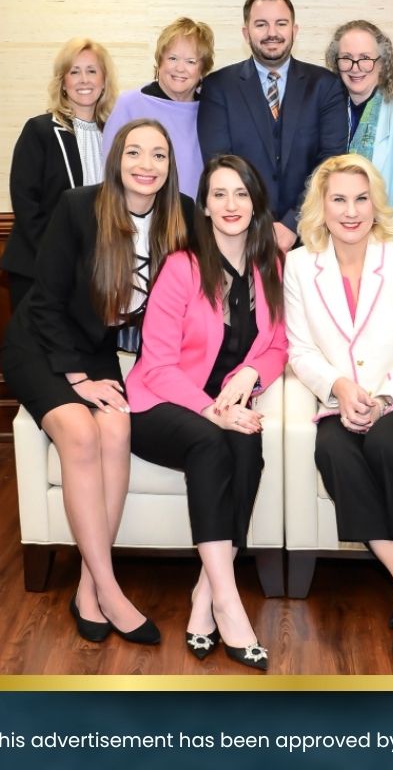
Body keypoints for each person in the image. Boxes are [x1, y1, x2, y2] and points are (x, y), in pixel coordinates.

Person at [0, 119, 191, 646]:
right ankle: (111, 590)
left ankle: (88, 587)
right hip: (41, 344)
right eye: (134, 153)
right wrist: (76, 378)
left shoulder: (183, 215)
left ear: (170, 165)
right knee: (81, 434)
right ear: (117, 159)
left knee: (117, 430)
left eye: (158, 155)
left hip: (97, 348)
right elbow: (45, 300)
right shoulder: (79, 206)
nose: (145, 165)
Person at [284, 154, 393, 656]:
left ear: (375, 204)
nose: (351, 210)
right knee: (334, 451)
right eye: (338, 199)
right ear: (322, 206)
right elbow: (300, 350)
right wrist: (338, 387)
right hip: (341, 403)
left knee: (386, 441)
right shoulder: (299, 265)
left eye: (361, 198)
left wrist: (383, 398)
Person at [125, 155, 288, 671]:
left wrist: (249, 377)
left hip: (225, 403)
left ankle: (204, 594)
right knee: (213, 441)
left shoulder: (270, 265)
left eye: (241, 193)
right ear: (206, 205)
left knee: (249, 443)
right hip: (160, 403)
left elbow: (279, 344)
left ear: (255, 201)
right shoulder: (183, 266)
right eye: (219, 194)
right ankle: (231, 605)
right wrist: (212, 411)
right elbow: (157, 364)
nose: (231, 204)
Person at [198, 0, 348, 252]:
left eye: (281, 23)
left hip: (312, 237)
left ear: (294, 29)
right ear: (246, 33)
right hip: (242, 235)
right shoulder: (218, 87)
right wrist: (259, 225)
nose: (272, 33)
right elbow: (219, 164)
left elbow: (330, 163)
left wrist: (293, 223)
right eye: (261, 24)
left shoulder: (326, 86)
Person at [0, 36, 118, 310]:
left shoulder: (115, 135)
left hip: (94, 271)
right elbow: (25, 204)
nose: (84, 80)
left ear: (104, 80)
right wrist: (60, 259)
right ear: (63, 82)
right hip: (38, 268)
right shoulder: (40, 131)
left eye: (91, 71)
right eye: (74, 72)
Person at [102, 17, 215, 197]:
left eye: (191, 61)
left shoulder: (212, 111)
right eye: (172, 58)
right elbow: (109, 171)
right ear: (159, 62)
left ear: (203, 70)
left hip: (199, 219)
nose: (180, 68)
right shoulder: (130, 104)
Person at [325, 19, 393, 208]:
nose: (355, 67)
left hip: (386, 229)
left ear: (382, 64)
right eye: (346, 58)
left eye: (365, 59)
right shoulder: (326, 110)